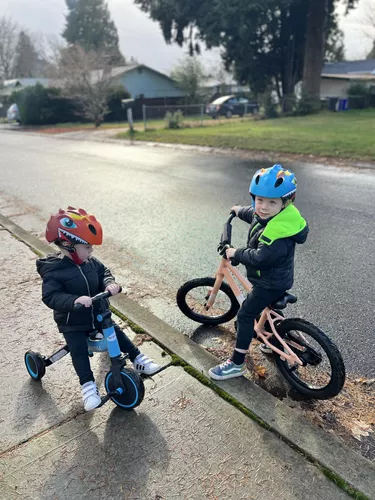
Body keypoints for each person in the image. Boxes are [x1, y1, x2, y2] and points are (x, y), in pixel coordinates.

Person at [37, 206, 161, 411]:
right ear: (68, 245)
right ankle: (87, 386)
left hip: (98, 314)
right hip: (73, 322)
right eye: (87, 246)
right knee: (77, 349)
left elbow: (104, 272)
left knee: (115, 332)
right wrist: (74, 301)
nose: (91, 251)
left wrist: (109, 284)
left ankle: (137, 358)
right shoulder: (54, 271)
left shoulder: (90, 262)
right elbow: (50, 296)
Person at [209, 164, 309, 381]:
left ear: (286, 203)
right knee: (265, 308)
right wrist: (238, 209)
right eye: (259, 199)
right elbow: (254, 215)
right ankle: (273, 340)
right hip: (275, 279)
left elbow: (260, 258)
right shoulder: (269, 215)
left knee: (245, 315)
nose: (263, 207)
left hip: (270, 281)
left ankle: (236, 364)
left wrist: (235, 252)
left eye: (271, 202)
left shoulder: (279, 233)